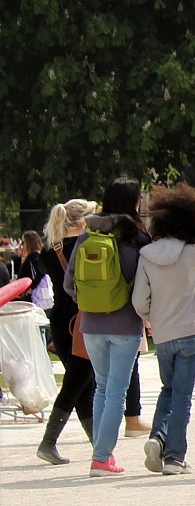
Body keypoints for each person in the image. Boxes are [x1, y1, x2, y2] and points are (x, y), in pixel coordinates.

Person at [132, 183, 195, 476]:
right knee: (183, 395)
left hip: (162, 332)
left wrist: (152, 316)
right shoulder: (193, 253)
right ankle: (174, 456)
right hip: (190, 330)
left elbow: (139, 300)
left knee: (168, 389)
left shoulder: (146, 254)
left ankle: (157, 437)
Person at [66, 177, 150, 476]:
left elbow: (69, 283)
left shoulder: (88, 234)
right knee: (116, 391)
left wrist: (91, 300)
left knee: (102, 388)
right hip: (125, 323)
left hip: (90, 323)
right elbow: (146, 283)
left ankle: (102, 453)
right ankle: (101, 458)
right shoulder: (138, 237)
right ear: (134, 202)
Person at [35, 199, 98, 466]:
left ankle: (99, 445)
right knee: (77, 382)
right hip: (81, 320)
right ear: (83, 222)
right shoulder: (88, 245)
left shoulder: (51, 249)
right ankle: (49, 442)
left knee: (82, 383)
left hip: (60, 322)